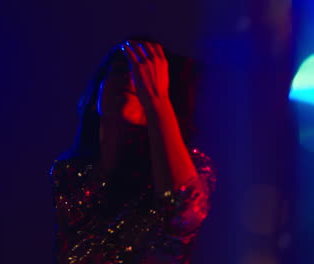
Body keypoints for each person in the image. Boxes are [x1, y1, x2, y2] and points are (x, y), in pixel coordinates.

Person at [49, 39, 216, 264]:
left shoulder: (192, 167)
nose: (130, 79)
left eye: (142, 76)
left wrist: (157, 101)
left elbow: (182, 209)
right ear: (97, 89)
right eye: (120, 70)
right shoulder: (71, 175)